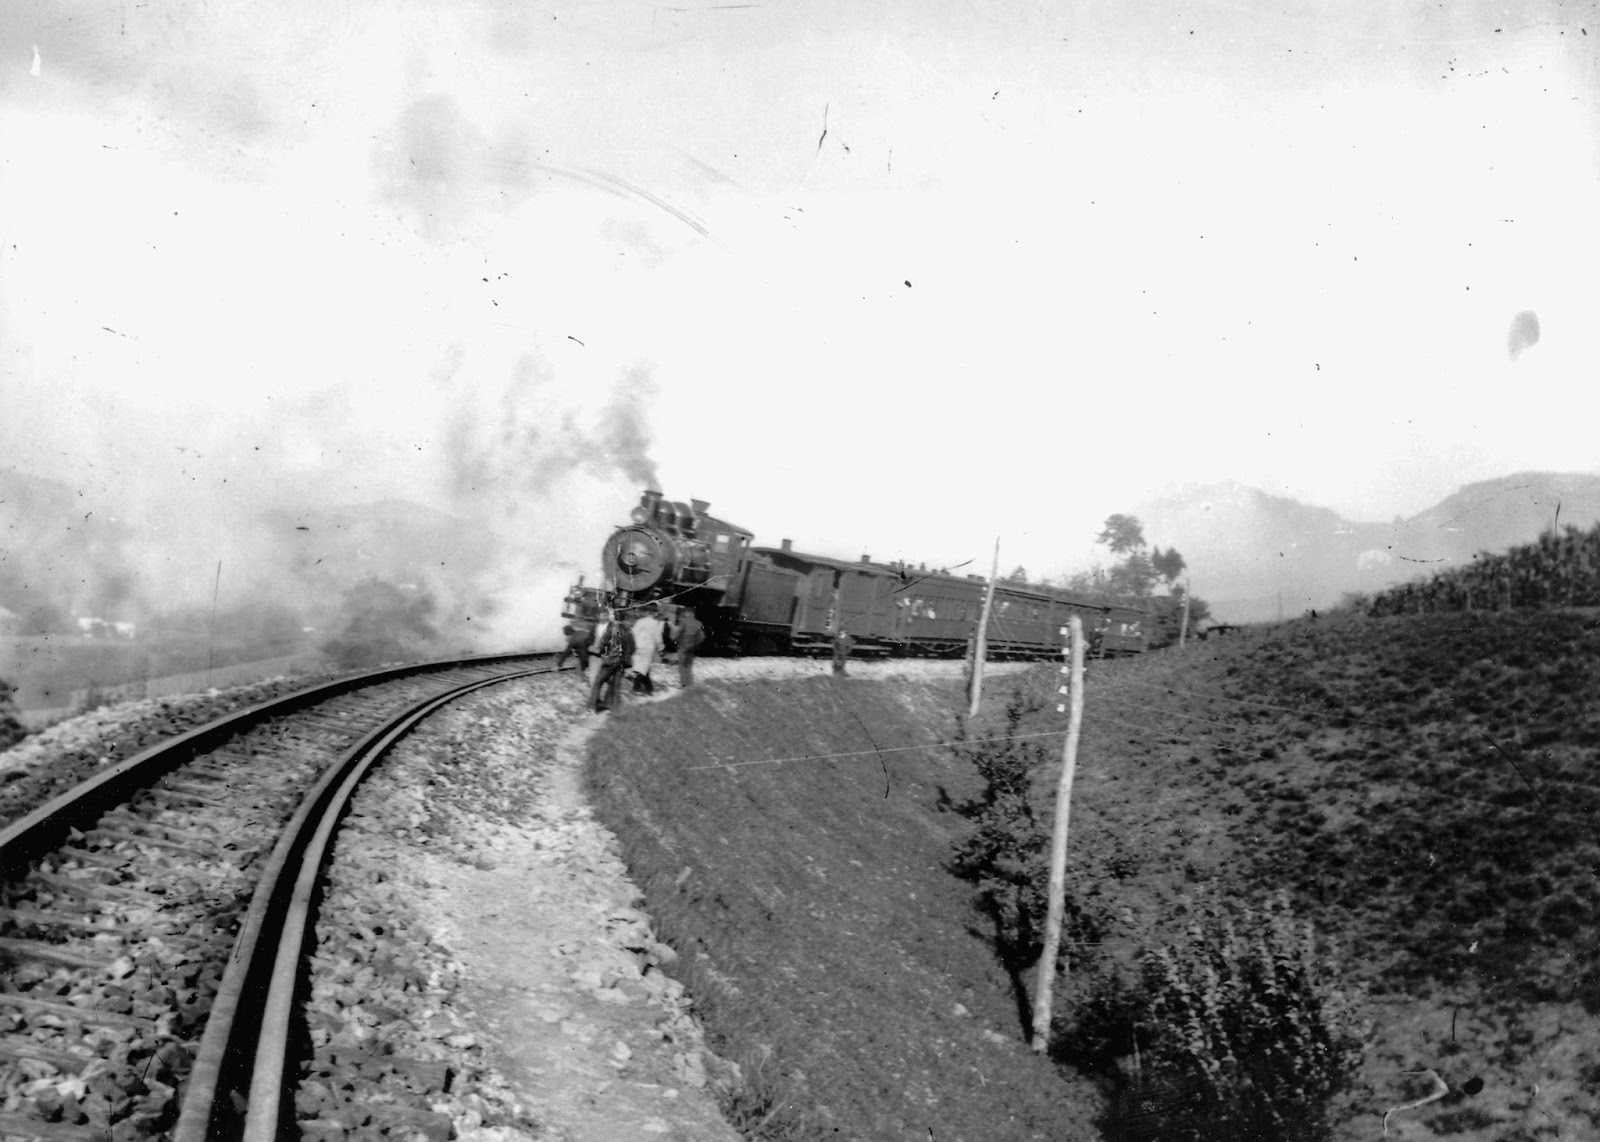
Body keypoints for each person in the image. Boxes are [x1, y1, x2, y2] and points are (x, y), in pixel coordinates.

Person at [589, 610, 634, 713]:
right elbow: (632, 647)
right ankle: (613, 707)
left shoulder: (611, 628)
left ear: (614, 617)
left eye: (612, 615)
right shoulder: (628, 630)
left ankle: (592, 706)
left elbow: (603, 643)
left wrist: (597, 651)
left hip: (610, 661)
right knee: (616, 684)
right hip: (622, 662)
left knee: (598, 682)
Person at [629, 602, 667, 696]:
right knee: (644, 666)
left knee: (640, 666)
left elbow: (633, 633)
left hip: (637, 646)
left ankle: (646, 688)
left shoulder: (640, 622)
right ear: (653, 613)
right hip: (648, 647)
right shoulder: (655, 623)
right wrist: (661, 647)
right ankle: (639, 687)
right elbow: (657, 637)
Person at [672, 606, 705, 688]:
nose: (683, 614)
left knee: (682, 665)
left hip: (683, 645)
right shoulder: (698, 623)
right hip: (692, 646)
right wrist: (696, 643)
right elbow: (702, 636)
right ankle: (689, 683)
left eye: (685, 613)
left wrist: (675, 640)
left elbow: (679, 632)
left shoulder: (683, 621)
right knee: (689, 665)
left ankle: (684, 683)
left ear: (688, 613)